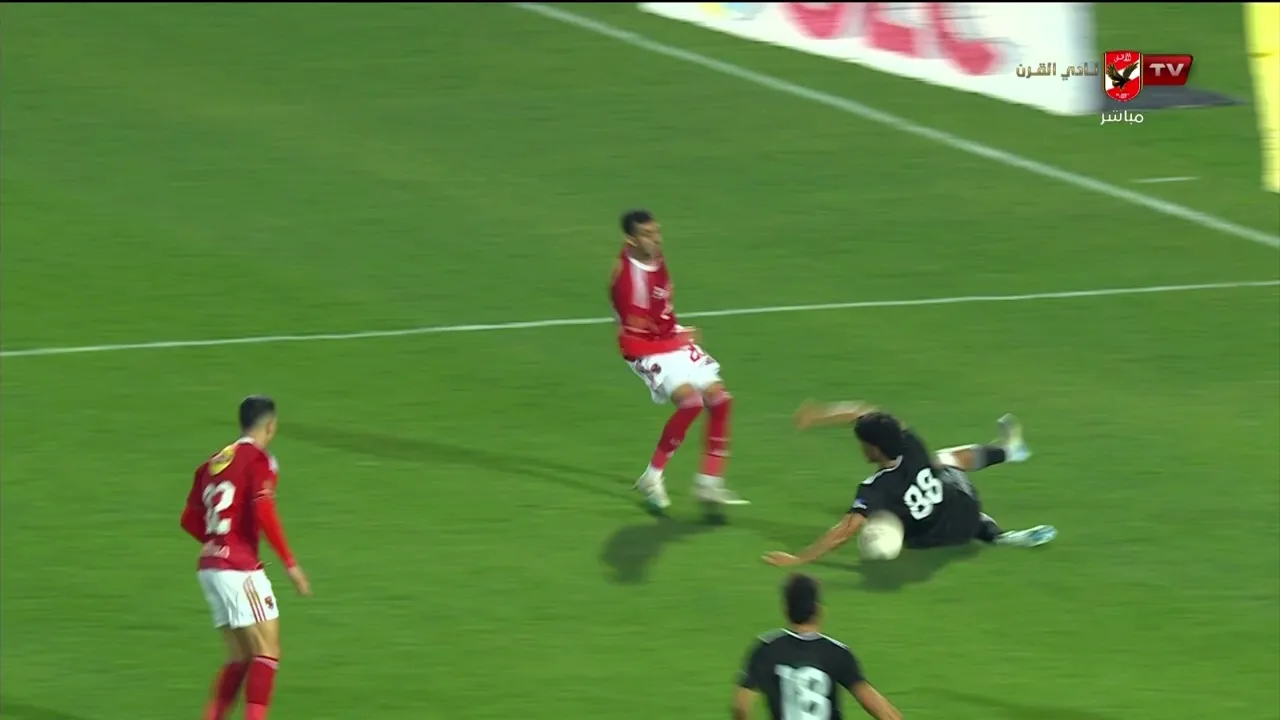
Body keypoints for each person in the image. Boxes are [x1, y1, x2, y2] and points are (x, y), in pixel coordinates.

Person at [764, 401, 1055, 568]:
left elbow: (844, 532)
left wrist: (799, 558)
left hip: (927, 541)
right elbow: (864, 411)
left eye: (863, 444)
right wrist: (821, 416)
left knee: (893, 510)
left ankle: (999, 529)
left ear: (875, 449)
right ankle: (1009, 454)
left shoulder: (876, 487)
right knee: (941, 463)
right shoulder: (911, 442)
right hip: (966, 512)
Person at [180, 395, 311, 720]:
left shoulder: (213, 462)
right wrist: (290, 564)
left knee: (239, 657)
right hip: (238, 569)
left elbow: (189, 519)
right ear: (271, 425)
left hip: (210, 567)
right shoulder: (259, 460)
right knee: (267, 653)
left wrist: (216, 542)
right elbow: (264, 509)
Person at [609, 208, 748, 509]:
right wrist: (678, 340)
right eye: (647, 235)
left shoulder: (651, 255)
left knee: (721, 401)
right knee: (691, 403)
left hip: (669, 337)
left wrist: (675, 334)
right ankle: (652, 476)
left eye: (656, 231)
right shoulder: (628, 284)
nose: (657, 239)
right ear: (630, 240)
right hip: (646, 349)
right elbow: (631, 343)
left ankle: (709, 484)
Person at [733, 573, 902, 720]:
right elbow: (882, 711)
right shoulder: (837, 653)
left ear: (786, 610)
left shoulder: (766, 649)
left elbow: (741, 705)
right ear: (819, 610)